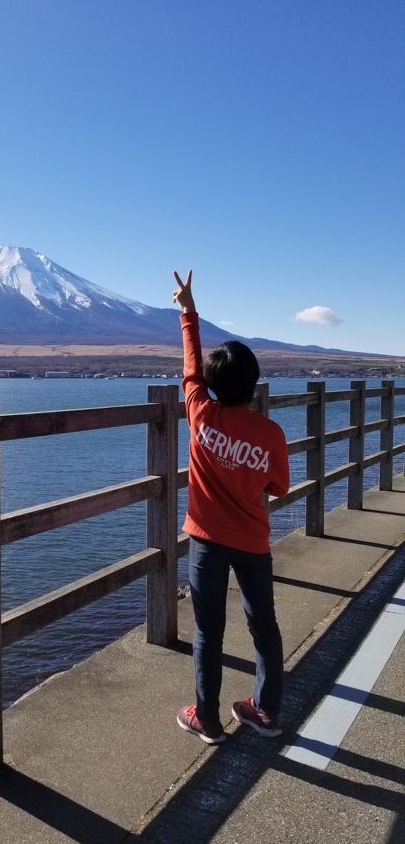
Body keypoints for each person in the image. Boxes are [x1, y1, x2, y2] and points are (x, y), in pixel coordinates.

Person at [172, 269, 290, 745]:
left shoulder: (200, 411)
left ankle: (208, 719)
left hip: (205, 539)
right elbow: (279, 486)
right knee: (264, 626)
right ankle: (265, 711)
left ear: (214, 384)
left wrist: (188, 312)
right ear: (255, 382)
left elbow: (190, 369)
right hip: (253, 543)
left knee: (208, 631)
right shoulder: (270, 432)